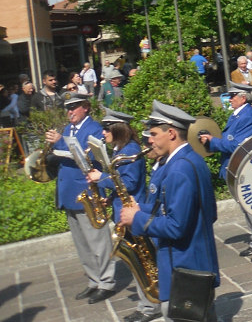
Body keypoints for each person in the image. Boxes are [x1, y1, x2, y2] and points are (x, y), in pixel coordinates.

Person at [119, 101, 220, 321]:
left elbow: (175, 226)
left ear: (172, 133)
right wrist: (143, 208)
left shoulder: (178, 169)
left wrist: (138, 218)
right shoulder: (192, 159)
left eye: (154, 134)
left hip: (183, 267)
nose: (149, 140)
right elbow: (206, 212)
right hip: (195, 261)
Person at [85, 108, 159, 322]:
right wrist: (111, 198)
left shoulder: (131, 150)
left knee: (143, 261)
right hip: (123, 210)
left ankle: (149, 306)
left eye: (106, 128)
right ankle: (147, 303)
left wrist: (101, 177)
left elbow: (130, 183)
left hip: (133, 213)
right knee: (139, 261)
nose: (103, 133)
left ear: (117, 128)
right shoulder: (121, 149)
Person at [45, 93, 114, 304]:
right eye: (68, 108)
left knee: (97, 240)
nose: (70, 111)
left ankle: (107, 282)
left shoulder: (94, 129)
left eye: (74, 107)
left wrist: (60, 143)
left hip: (88, 192)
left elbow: (88, 156)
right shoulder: (69, 129)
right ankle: (94, 280)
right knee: (82, 243)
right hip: (69, 193)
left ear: (85, 107)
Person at [199, 83, 252, 263]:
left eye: (233, 96)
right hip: (236, 166)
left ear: (243, 97)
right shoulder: (238, 115)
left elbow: (238, 144)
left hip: (245, 166)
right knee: (245, 206)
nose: (230, 99)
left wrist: (213, 142)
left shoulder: (248, 116)